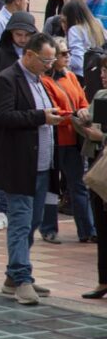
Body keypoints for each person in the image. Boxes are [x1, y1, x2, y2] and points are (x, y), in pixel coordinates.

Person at [0, 33, 64, 304]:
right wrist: (41, 117)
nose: (49, 66)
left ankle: (14, 275)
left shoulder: (40, 81)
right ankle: (21, 278)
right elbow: (3, 116)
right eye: (45, 60)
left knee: (33, 222)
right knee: (20, 221)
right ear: (29, 55)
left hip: (41, 166)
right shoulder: (7, 80)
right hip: (18, 165)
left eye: (51, 61)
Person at [39, 36, 97, 245]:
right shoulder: (44, 81)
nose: (68, 57)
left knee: (79, 185)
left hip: (73, 140)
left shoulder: (71, 76)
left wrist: (81, 111)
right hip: (55, 140)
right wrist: (74, 114)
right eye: (63, 53)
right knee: (51, 187)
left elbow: (82, 100)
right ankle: (48, 229)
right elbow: (53, 111)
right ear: (52, 57)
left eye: (68, 52)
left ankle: (87, 230)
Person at [83, 60, 107, 300]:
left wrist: (103, 136)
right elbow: (88, 127)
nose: (103, 76)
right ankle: (103, 280)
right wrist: (82, 119)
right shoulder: (101, 96)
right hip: (99, 168)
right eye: (103, 71)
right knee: (101, 225)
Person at [61, 0, 105, 80]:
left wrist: (62, 59)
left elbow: (78, 61)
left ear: (70, 18)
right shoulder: (97, 24)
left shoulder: (74, 30)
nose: (62, 25)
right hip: (97, 71)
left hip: (80, 75)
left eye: (64, 21)